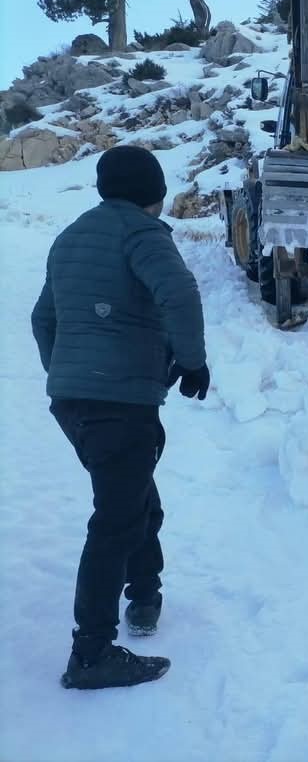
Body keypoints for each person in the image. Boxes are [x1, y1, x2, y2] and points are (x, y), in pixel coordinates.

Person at [31, 144, 210, 690]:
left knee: (133, 499)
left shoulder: (70, 238)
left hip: (74, 402)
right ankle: (91, 654)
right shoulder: (142, 233)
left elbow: (43, 320)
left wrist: (69, 374)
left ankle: (145, 595)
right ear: (153, 193)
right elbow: (179, 293)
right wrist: (194, 362)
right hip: (120, 402)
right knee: (116, 520)